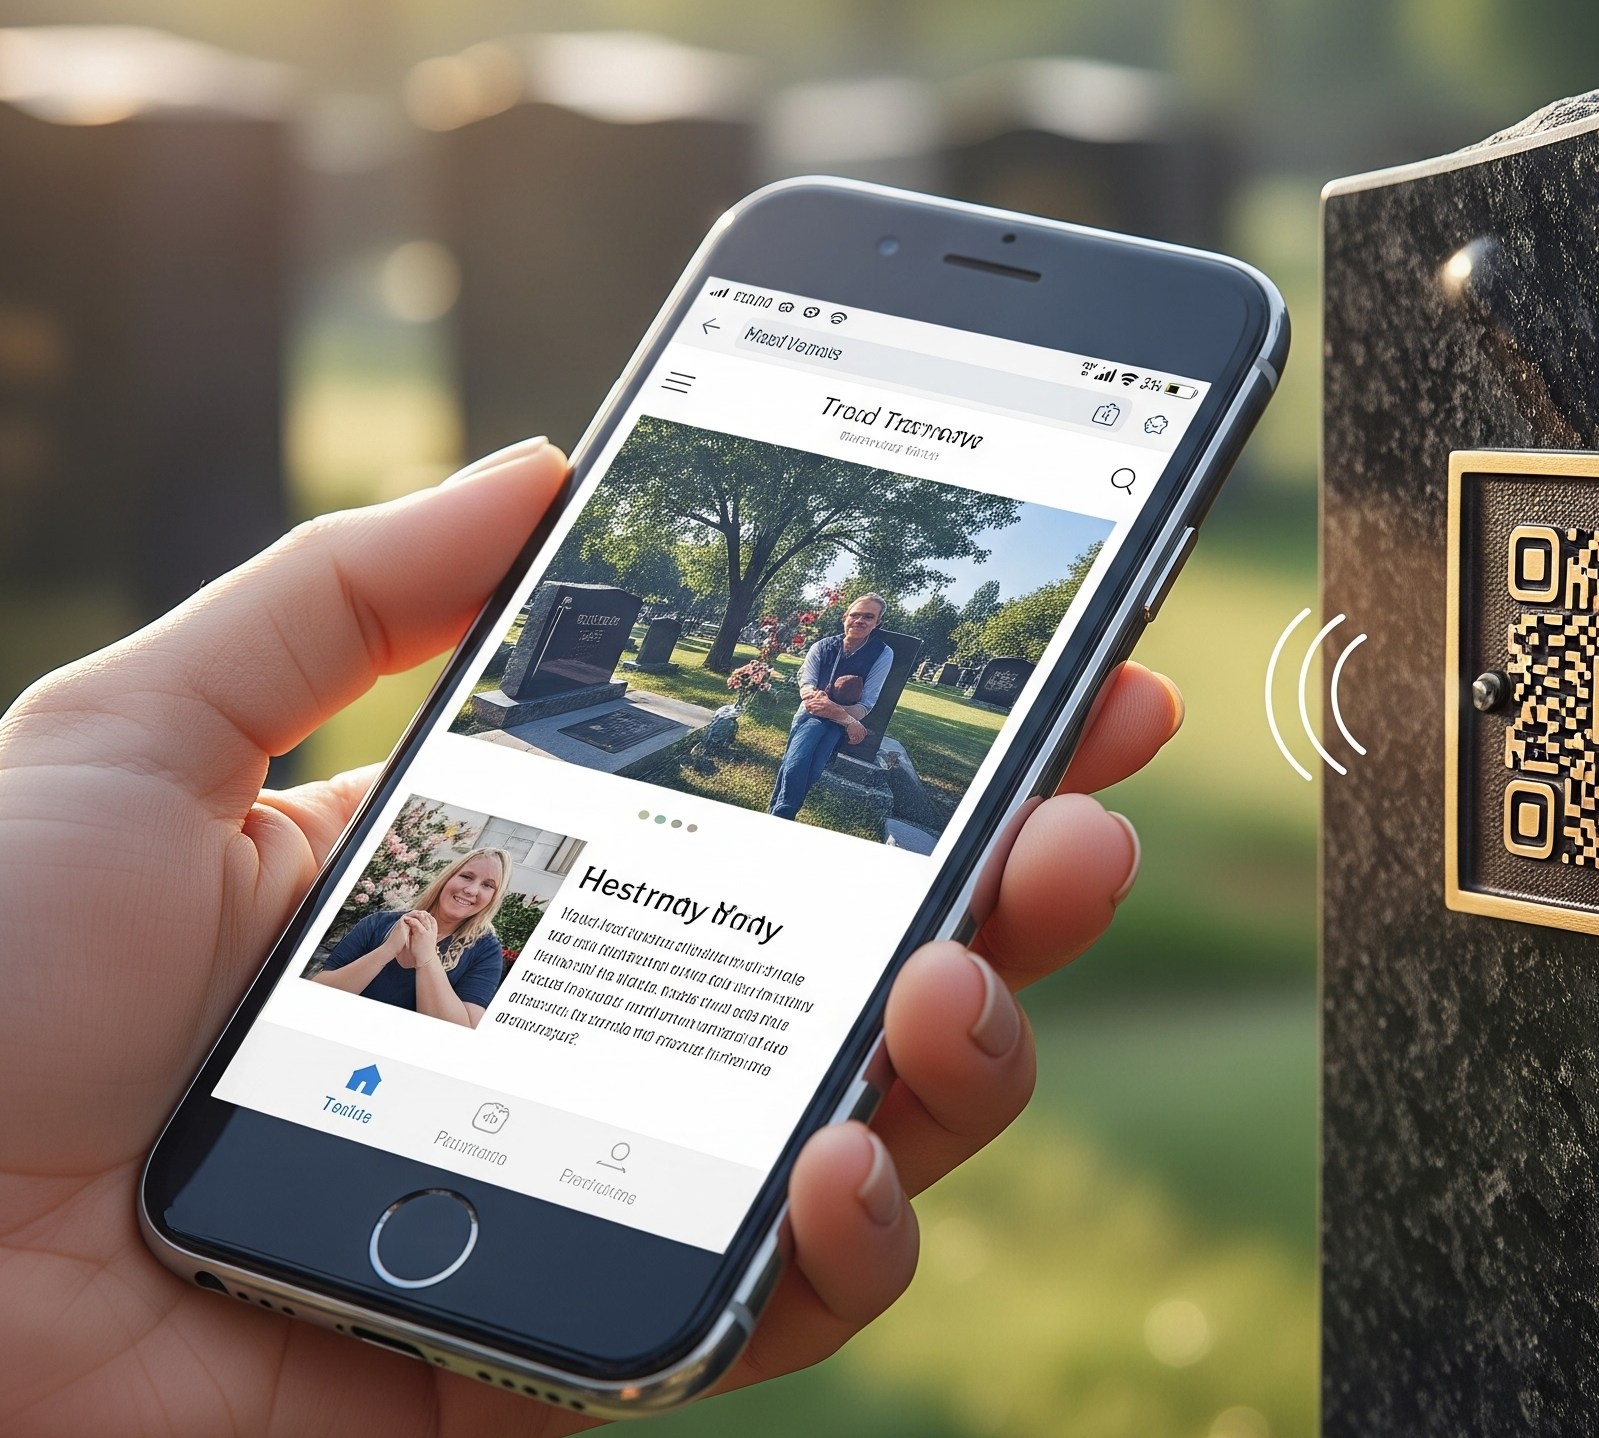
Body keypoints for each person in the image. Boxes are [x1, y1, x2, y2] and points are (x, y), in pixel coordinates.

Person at [0, 435, 1180, 1435]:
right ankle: (780, 820)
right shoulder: (391, 914)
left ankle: (782, 833)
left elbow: (857, 719)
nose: (470, 889)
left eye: (481, 881)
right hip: (214, 1184)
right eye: (466, 876)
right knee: (814, 770)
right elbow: (822, 700)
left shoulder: (477, 949)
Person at [311, 846, 513, 1027]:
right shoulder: (378, 923)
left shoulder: (486, 951)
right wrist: (387, 950)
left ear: (494, 898)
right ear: (447, 878)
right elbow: (317, 991)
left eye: (488, 885)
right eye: (467, 876)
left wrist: (427, 958)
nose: (471, 890)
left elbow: (461, 1031)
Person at [769, 592, 896, 821]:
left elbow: (865, 704)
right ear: (845, 617)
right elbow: (808, 693)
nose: (859, 621)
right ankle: (782, 815)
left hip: (838, 723)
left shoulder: (883, 654)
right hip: (810, 717)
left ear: (877, 623)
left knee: (806, 767)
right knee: (797, 763)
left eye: (868, 617)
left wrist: (839, 715)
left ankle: (778, 814)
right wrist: (847, 720)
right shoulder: (821, 647)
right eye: (855, 615)